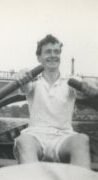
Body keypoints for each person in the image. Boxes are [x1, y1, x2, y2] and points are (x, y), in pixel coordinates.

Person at [13, 34, 98, 169]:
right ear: (39, 58)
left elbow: (84, 85)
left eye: (56, 52)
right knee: (23, 140)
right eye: (48, 52)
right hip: (35, 137)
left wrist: (90, 83)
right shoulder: (33, 82)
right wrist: (21, 74)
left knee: (82, 140)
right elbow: (24, 85)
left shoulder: (70, 81)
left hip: (63, 138)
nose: (53, 55)